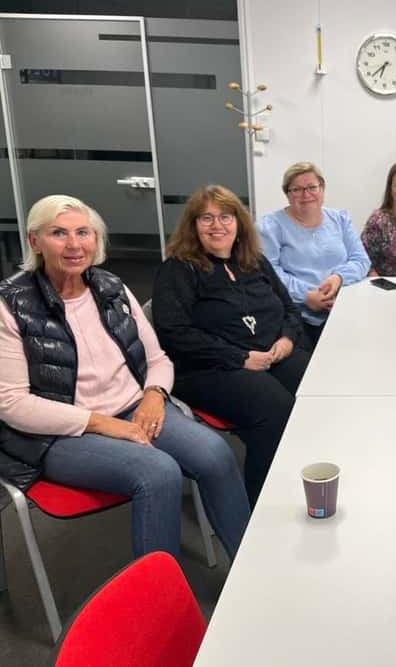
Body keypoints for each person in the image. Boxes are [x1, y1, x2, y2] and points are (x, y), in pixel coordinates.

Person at [0, 195, 249, 559]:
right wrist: (102, 423)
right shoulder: (11, 303)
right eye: (58, 233)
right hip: (59, 433)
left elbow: (157, 358)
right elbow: (12, 404)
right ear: (34, 241)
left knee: (215, 453)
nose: (74, 244)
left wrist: (154, 395)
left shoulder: (111, 286)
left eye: (83, 232)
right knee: (158, 472)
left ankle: (248, 565)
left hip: (133, 408)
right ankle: (159, 590)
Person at [153, 185, 310, 508]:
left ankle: (305, 473)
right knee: (275, 406)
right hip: (206, 367)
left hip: (269, 356)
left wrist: (286, 339)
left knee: (317, 386)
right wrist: (239, 357)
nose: (217, 225)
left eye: (225, 216)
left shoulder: (255, 262)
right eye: (206, 218)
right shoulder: (178, 269)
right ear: (193, 225)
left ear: (239, 222)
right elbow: (173, 332)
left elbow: (290, 310)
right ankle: (261, 505)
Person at [258, 162, 370, 349]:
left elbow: (361, 259)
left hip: (343, 307)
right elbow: (270, 272)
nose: (306, 194)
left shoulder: (340, 219)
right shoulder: (270, 226)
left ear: (322, 189)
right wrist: (306, 295)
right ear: (287, 194)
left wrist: (338, 278)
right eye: (297, 189)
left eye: (312, 187)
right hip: (297, 316)